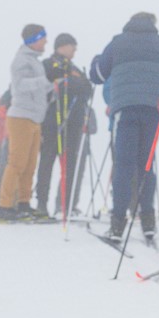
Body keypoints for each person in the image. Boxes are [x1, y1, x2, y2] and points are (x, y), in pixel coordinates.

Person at [89, 12, 159, 243]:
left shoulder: (118, 42)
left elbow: (98, 74)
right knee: (146, 163)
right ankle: (148, 218)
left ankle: (118, 222)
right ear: (153, 24)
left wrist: (95, 61)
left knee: (124, 164)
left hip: (125, 107)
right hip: (153, 108)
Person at [0, 25, 53, 221]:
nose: (46, 42)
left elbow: (37, 87)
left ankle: (23, 203)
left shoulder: (34, 61)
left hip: (34, 118)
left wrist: (51, 87)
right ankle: (4, 205)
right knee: (17, 162)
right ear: (33, 39)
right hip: (21, 116)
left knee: (30, 164)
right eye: (43, 38)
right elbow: (19, 85)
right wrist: (45, 82)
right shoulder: (21, 60)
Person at [35, 33, 93, 217]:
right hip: (51, 121)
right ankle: (41, 203)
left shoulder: (75, 68)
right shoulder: (47, 64)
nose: (75, 50)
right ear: (62, 46)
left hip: (73, 123)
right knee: (47, 161)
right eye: (72, 46)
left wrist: (74, 83)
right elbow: (48, 85)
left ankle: (66, 204)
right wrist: (73, 83)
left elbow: (86, 89)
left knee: (70, 164)